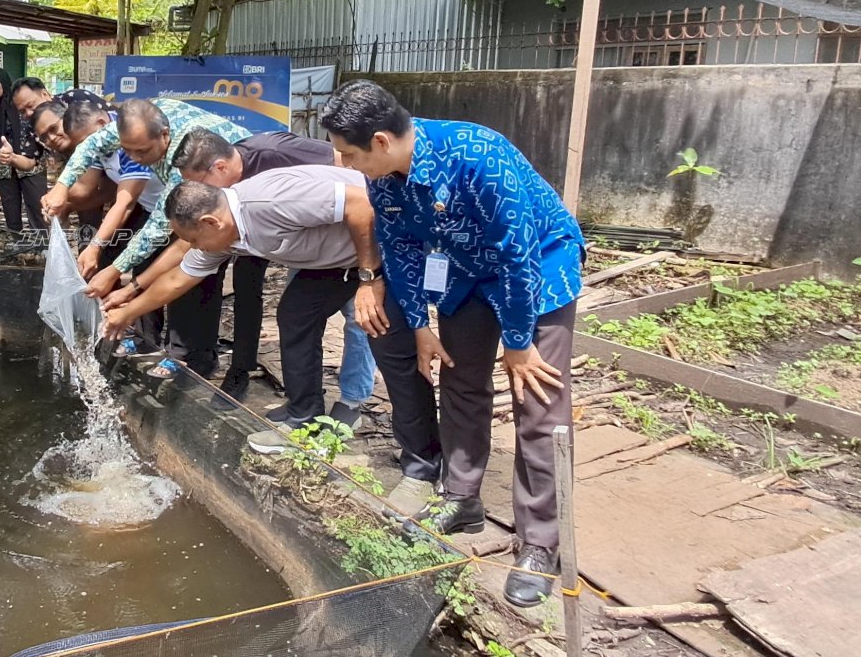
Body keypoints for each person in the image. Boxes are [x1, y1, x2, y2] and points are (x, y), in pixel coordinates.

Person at [319, 79, 585, 610]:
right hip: (465, 274)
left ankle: (540, 544)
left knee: (539, 401)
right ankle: (462, 498)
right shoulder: (384, 178)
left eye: (349, 154)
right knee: (462, 380)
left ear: (380, 141)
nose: (344, 165)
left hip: (539, 267)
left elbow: (517, 256)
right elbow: (400, 248)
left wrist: (518, 342)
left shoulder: (477, 155)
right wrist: (420, 324)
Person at [99, 168, 438, 462]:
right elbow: (178, 278)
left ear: (210, 222)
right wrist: (128, 312)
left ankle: (423, 463)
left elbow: (362, 204)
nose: (195, 247)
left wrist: (369, 278)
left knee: (387, 340)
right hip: (339, 258)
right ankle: (304, 419)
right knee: (295, 314)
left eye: (193, 239)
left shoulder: (269, 202)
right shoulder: (224, 233)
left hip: (392, 240)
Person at [43, 98, 252, 377]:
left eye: (141, 151)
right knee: (155, 265)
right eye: (127, 150)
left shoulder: (184, 159)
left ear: (164, 135)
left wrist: (114, 270)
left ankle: (200, 359)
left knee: (198, 277)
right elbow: (90, 146)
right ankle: (151, 340)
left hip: (235, 203)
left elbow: (157, 226)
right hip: (188, 205)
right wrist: (61, 187)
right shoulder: (134, 123)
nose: (134, 159)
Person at [175, 128, 370, 407]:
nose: (200, 192)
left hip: (359, 237)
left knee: (362, 316)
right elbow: (184, 267)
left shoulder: (273, 157)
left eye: (200, 183)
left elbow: (349, 174)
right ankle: (303, 405)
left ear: (219, 167)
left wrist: (367, 271)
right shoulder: (229, 207)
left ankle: (352, 400)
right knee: (296, 315)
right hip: (300, 243)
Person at [59, 97, 167, 350]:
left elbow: (124, 202)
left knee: (144, 267)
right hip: (145, 205)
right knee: (111, 259)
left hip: (163, 210)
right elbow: (87, 188)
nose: (90, 148)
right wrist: (60, 196)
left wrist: (95, 246)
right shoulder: (101, 146)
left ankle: (148, 342)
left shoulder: (130, 140)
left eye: (89, 140)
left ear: (101, 123)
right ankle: (118, 324)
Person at [0, 72, 47, 234]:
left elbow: (41, 130)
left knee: (37, 206)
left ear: (4, 81)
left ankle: (42, 244)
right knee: (10, 209)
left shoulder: (21, 104)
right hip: (4, 164)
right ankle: (17, 242)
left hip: (31, 161)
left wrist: (49, 154)